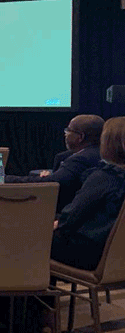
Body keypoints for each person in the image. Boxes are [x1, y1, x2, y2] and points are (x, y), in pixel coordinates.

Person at [51, 116, 125, 271]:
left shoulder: (105, 177)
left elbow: (71, 218)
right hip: (117, 257)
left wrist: (57, 222)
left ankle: (30, 292)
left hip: (91, 254)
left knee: (26, 237)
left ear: (108, 143)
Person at [6, 114, 104, 212]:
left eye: (68, 130)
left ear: (80, 137)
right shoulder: (101, 154)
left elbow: (53, 183)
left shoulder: (80, 159)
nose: (65, 134)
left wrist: (6, 179)